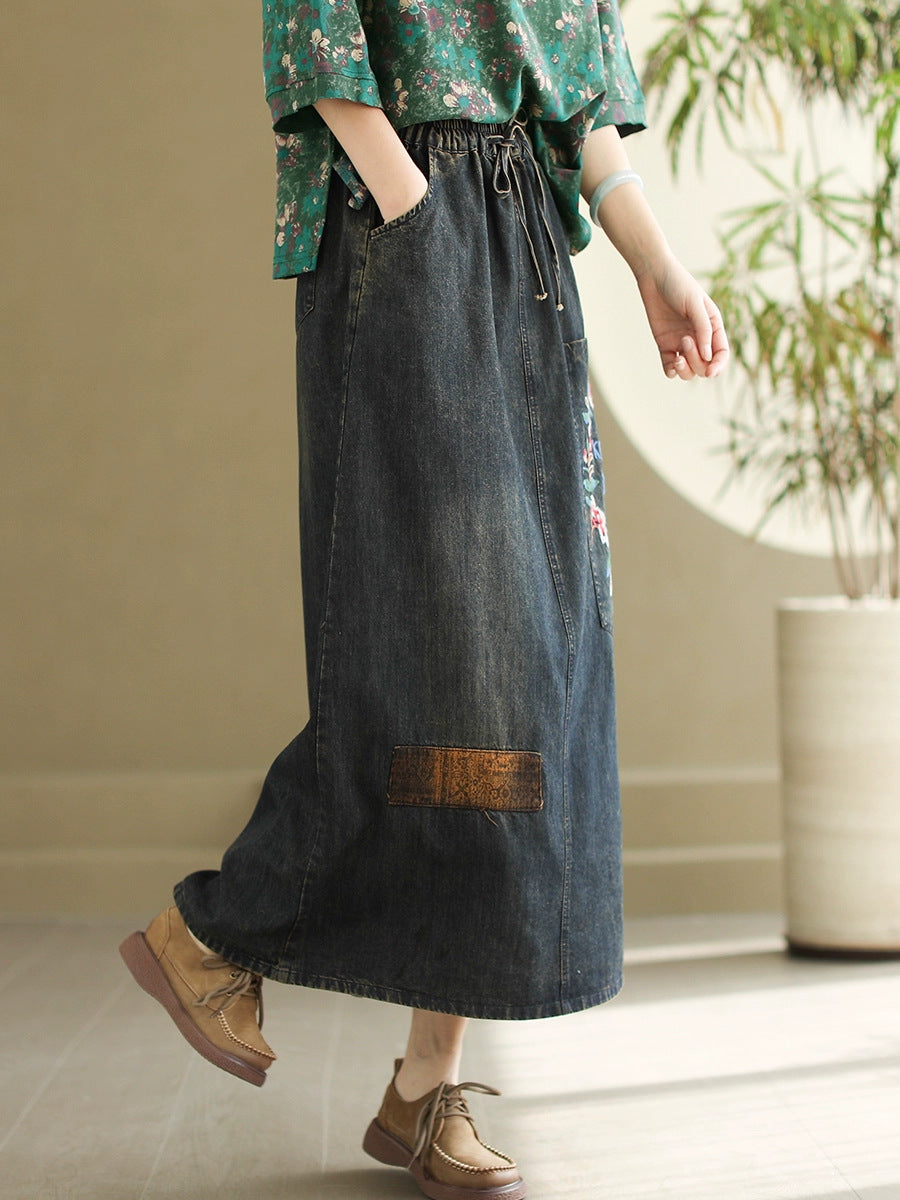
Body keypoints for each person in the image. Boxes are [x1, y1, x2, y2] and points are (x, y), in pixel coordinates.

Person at [120, 3, 728, 1198]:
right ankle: (215, 933)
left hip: (524, 246)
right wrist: (412, 205)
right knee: (432, 657)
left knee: (520, 678)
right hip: (405, 216)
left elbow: (580, 100)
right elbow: (312, 28)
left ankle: (421, 1086)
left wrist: (656, 264)